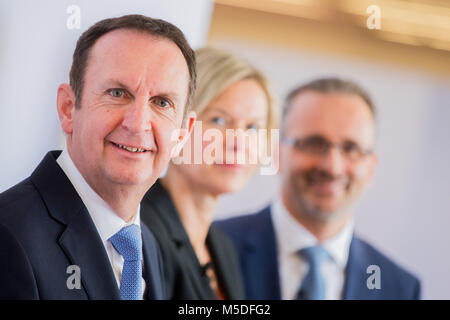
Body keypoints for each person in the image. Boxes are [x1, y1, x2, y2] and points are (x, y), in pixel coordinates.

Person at [0, 15, 197, 300]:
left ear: (182, 135)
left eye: (162, 102)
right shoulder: (9, 236)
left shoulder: (146, 245)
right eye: (117, 93)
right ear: (68, 109)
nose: (138, 122)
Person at [216, 78, 421, 300]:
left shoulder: (399, 288)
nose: (332, 167)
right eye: (313, 144)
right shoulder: (212, 248)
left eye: (351, 148)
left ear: (371, 167)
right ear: (275, 154)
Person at [140, 47, 279, 299]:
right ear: (180, 125)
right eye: (219, 121)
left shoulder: (223, 247)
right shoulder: (141, 231)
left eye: (253, 127)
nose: (239, 141)